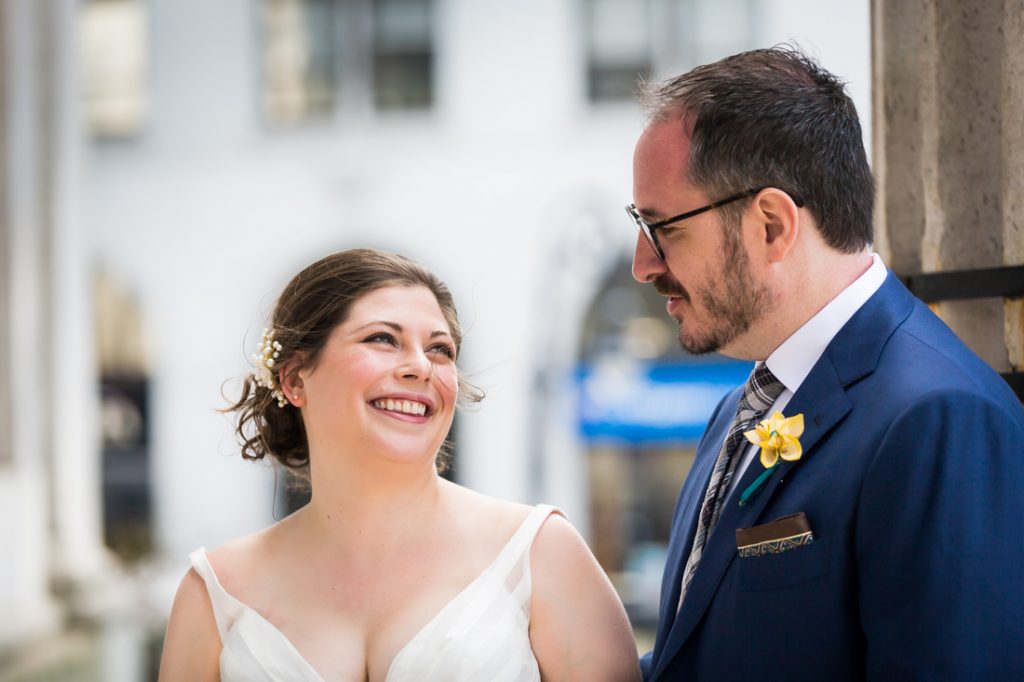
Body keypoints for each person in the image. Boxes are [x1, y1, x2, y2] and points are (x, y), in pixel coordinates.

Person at [627, 46, 1024, 680]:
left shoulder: (940, 419)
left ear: (772, 225)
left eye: (661, 228)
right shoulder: (740, 408)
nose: (642, 265)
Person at [159, 249, 641, 681]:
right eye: (383, 339)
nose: (421, 366)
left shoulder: (539, 555)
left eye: (440, 349)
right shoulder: (215, 593)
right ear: (294, 379)